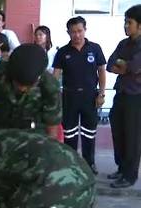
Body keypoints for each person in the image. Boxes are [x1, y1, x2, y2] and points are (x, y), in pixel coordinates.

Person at [0, 44, 62, 139]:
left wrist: (48, 148)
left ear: (38, 78)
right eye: (18, 83)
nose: (22, 89)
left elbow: (52, 123)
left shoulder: (50, 86)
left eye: (28, 86)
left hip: (33, 133)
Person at [53, 16, 106, 175]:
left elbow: (102, 72)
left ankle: (89, 163)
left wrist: (102, 94)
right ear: (68, 32)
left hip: (90, 97)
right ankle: (71, 164)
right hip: (69, 97)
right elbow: (55, 76)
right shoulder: (63, 52)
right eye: (73, 32)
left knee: (89, 132)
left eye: (79, 31)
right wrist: (54, 97)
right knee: (70, 133)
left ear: (85, 30)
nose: (77, 35)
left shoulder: (95, 48)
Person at [106, 4, 141, 189]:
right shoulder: (123, 43)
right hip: (120, 94)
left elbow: (132, 67)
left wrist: (125, 67)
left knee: (132, 137)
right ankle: (121, 169)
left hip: (136, 98)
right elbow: (111, 64)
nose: (126, 26)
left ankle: (130, 175)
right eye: (125, 22)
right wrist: (124, 66)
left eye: (129, 23)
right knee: (118, 133)